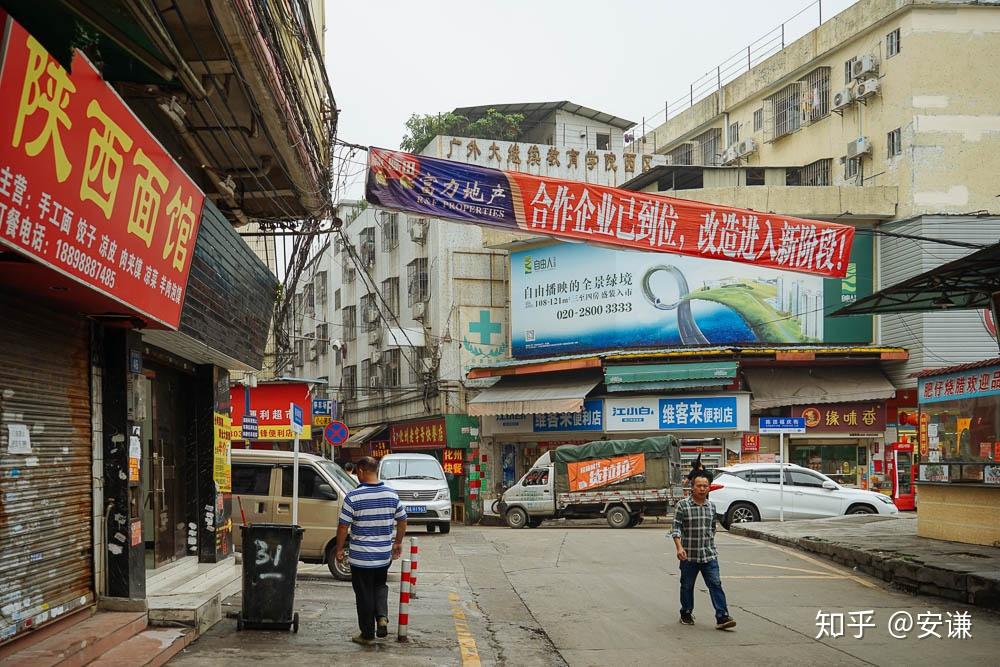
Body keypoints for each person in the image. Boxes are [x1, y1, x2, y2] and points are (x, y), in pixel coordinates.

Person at [335, 456, 407, 646]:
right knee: (380, 586)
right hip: (383, 555)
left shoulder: (353, 497)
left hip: (360, 558)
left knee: (364, 593)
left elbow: (343, 527)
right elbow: (402, 520)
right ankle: (382, 616)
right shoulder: (392, 495)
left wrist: (340, 548)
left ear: (360, 471)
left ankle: (367, 634)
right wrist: (398, 542)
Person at [671, 470, 736, 630]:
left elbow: (712, 529)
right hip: (689, 556)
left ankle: (722, 617)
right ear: (692, 488)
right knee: (687, 585)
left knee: (715, 584)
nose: (702, 489)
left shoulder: (712, 507)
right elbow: (676, 528)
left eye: (705, 486)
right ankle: (686, 613)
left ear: (709, 488)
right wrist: (679, 547)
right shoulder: (682, 506)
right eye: (699, 486)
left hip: (709, 555)